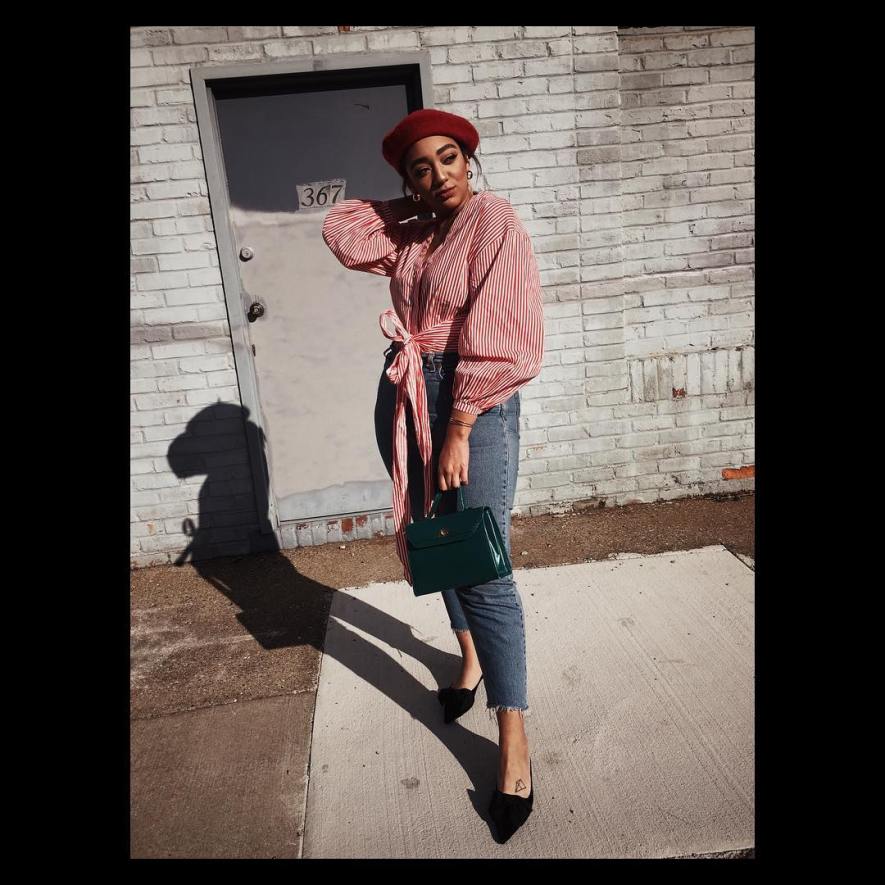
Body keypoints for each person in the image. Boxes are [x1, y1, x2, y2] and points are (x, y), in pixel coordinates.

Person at [322, 108, 544, 842]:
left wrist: (459, 424)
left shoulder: (494, 221)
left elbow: (504, 333)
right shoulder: (414, 232)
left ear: (470, 160)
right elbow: (343, 232)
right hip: (405, 389)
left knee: (482, 567)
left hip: (467, 403)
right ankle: (468, 658)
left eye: (449, 158)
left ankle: (511, 741)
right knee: (432, 534)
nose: (439, 174)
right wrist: (410, 200)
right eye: (421, 166)